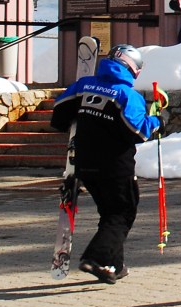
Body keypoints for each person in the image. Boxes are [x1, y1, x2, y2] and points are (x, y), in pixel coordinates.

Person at [49, 43, 163, 284]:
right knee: (123, 213)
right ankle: (96, 258)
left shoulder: (83, 85)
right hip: (115, 166)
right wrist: (156, 121)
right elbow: (138, 132)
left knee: (110, 214)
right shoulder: (126, 95)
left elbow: (58, 115)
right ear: (133, 69)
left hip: (85, 164)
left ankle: (114, 266)